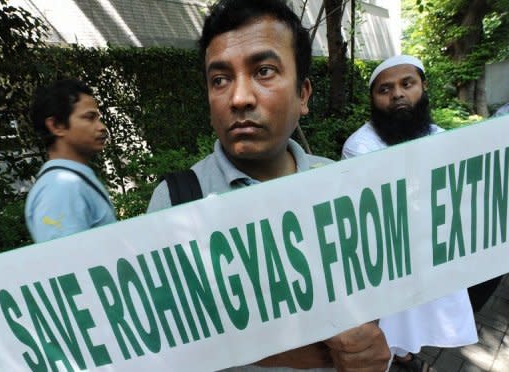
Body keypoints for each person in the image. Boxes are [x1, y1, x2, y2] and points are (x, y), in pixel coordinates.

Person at [148, 0, 390, 370]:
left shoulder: (345, 191)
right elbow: (161, 345)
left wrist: (371, 356)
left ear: (303, 94)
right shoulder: (175, 202)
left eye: (264, 71)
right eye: (220, 79)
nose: (239, 98)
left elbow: (370, 323)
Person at [342, 55, 478, 371]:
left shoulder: (442, 138)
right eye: (385, 89)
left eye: (407, 84)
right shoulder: (359, 146)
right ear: (374, 100)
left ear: (423, 87)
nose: (398, 94)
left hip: (430, 251)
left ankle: (403, 354)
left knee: (417, 317)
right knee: (384, 325)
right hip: (387, 257)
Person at [25, 79, 116, 243]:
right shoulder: (61, 188)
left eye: (98, 118)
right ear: (56, 126)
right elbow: (70, 262)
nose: (102, 127)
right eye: (90, 118)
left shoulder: (71, 181)